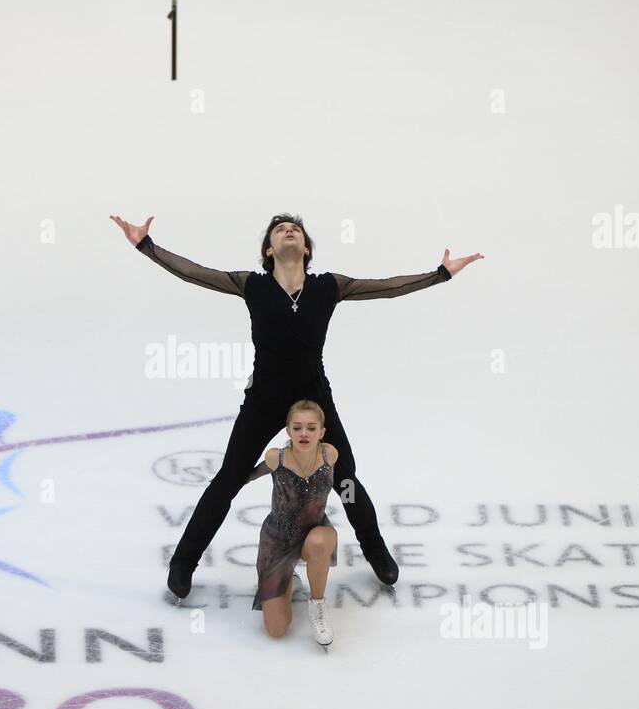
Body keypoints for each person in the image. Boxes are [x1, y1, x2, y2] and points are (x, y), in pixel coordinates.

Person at [109, 212, 482, 600]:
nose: (290, 231)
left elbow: (386, 288)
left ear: (305, 248)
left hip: (314, 399)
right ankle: (183, 562)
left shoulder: (329, 287)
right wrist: (146, 246)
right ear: (269, 250)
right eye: (280, 230)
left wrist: (440, 273)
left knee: (346, 479)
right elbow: (194, 273)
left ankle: (375, 550)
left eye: (296, 230)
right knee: (229, 478)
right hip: (264, 397)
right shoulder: (251, 284)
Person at [244, 400, 338, 645]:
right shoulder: (277, 458)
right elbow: (246, 476)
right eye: (297, 428)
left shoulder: (329, 454)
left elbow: (350, 487)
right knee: (276, 630)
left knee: (319, 542)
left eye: (311, 427)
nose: (304, 433)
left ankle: (317, 606)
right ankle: (289, 582)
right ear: (288, 431)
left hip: (314, 534)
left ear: (322, 432)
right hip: (278, 541)